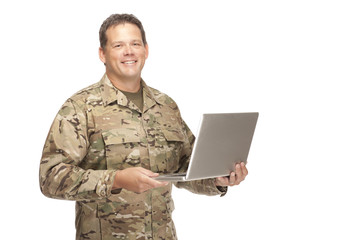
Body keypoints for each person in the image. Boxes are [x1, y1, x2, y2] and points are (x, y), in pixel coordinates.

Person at [39, 13, 248, 240]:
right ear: (103, 54)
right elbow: (50, 178)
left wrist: (217, 179)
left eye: (135, 44)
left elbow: (187, 169)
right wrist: (116, 179)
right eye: (118, 45)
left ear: (146, 50)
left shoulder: (166, 106)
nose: (129, 51)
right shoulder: (80, 107)